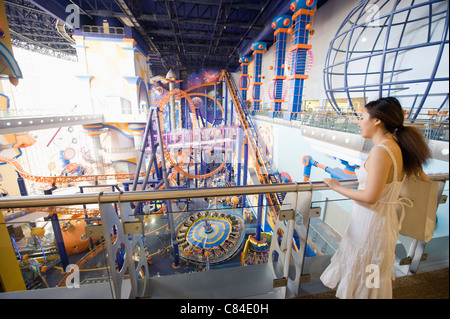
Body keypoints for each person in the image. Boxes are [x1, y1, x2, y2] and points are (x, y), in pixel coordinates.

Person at [320, 97, 431, 299]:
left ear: (377, 120)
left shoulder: (382, 151)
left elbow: (371, 196)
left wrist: (336, 187)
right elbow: (419, 176)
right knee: (371, 279)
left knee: (366, 276)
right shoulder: (397, 146)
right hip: (381, 222)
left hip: (371, 224)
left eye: (362, 117)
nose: (359, 122)